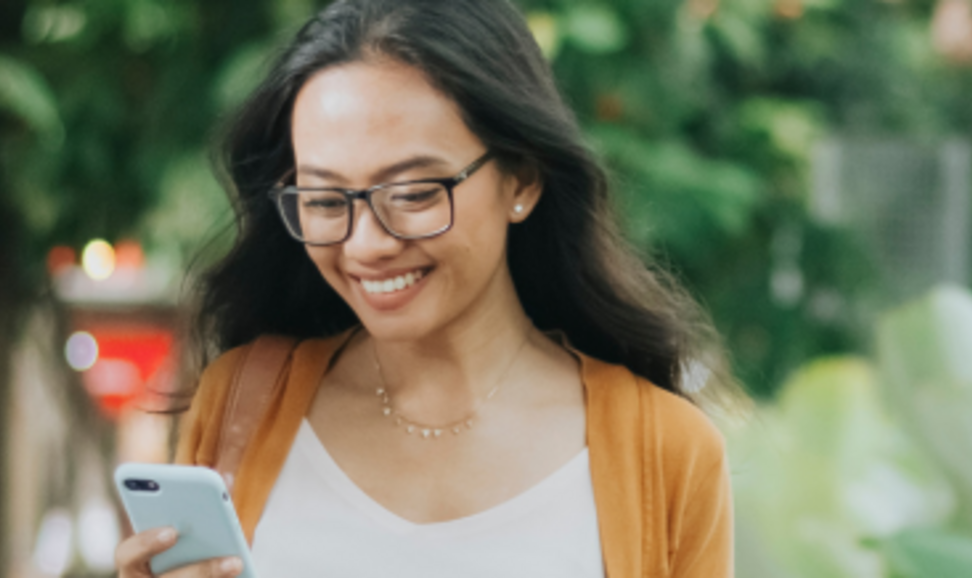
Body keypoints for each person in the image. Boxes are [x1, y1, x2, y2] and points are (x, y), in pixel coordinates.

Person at [114, 0, 735, 576]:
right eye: (327, 199)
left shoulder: (664, 452)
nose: (365, 245)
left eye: (413, 193)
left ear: (520, 179)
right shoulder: (241, 404)